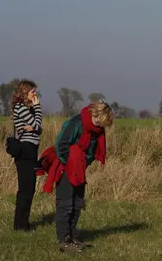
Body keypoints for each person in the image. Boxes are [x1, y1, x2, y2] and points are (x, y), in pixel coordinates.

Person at [37, 101, 113, 253]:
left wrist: (83, 163)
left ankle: (73, 236)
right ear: (95, 114)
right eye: (99, 122)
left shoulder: (96, 130)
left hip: (79, 168)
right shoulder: (76, 123)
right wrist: (69, 163)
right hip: (65, 167)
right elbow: (61, 144)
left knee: (77, 203)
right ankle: (63, 240)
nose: (100, 126)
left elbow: (92, 151)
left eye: (103, 124)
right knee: (65, 204)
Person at [11, 80, 42, 231]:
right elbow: (36, 124)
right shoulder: (20, 107)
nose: (35, 94)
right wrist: (37, 108)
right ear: (25, 93)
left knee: (29, 189)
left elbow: (38, 128)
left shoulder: (27, 108)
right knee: (26, 189)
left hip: (31, 150)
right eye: (32, 92)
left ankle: (23, 223)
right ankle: (21, 225)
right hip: (25, 151)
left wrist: (36, 126)